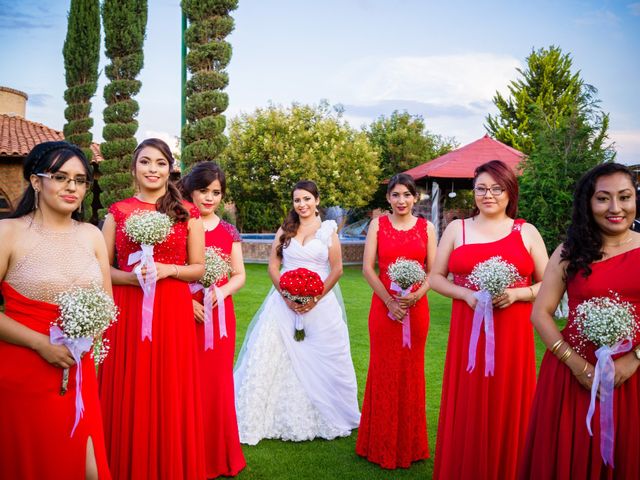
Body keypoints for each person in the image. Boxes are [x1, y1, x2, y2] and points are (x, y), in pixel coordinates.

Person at [518, 163, 640, 479]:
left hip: (634, 376)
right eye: (603, 198)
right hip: (573, 377)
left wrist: (634, 359)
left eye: (624, 197)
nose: (616, 208)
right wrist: (578, 366)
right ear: (588, 203)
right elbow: (540, 313)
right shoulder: (568, 252)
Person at [0, 141, 112, 479]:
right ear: (36, 181)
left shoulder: (92, 235)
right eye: (61, 177)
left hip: (78, 372)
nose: (72, 187)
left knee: (88, 469)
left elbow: (107, 304)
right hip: (24, 372)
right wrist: (40, 344)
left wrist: (89, 334)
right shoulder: (8, 232)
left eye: (80, 180)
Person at [430, 160, 548, 480]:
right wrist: (465, 295)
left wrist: (517, 294)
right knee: (468, 406)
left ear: (510, 191)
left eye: (497, 188)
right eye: (481, 188)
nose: (488, 195)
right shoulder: (458, 229)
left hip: (512, 336)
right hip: (468, 332)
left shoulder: (526, 232)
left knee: (508, 405)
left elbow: (549, 284)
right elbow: (436, 278)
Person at [98, 138, 206, 480]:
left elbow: (199, 268)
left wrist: (168, 270)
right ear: (135, 168)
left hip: (172, 309)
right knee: (129, 385)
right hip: (128, 308)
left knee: (170, 386)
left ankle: (170, 466)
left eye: (160, 163)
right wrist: (133, 279)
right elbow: (100, 267)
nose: (152, 169)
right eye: (145, 162)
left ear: (170, 169)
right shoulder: (118, 211)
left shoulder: (187, 213)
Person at [234, 180, 360, 444]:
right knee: (272, 354)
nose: (302, 205)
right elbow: (272, 266)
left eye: (306, 199)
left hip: (320, 306)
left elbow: (336, 269)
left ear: (316, 199)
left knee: (321, 358)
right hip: (283, 303)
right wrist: (286, 295)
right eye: (297, 200)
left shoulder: (328, 230)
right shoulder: (286, 229)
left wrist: (314, 299)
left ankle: (327, 412)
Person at [355, 173, 437, 469]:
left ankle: (411, 445)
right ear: (388, 198)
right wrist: (389, 300)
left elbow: (434, 271)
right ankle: (377, 443)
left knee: (411, 371)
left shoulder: (427, 228)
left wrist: (415, 296)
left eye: (406, 195)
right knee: (383, 370)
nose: (401, 200)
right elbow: (367, 268)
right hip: (383, 308)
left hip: (416, 310)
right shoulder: (378, 225)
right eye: (395, 195)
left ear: (415, 198)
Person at [179, 162, 246, 478]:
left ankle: (218, 455)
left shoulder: (229, 230)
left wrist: (221, 293)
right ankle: (185, 453)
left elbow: (240, 275)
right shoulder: (178, 224)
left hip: (219, 314)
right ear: (191, 190)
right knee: (184, 383)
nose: (209, 198)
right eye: (203, 190)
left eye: (216, 192)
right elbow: (167, 271)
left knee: (217, 384)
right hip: (182, 312)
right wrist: (183, 303)